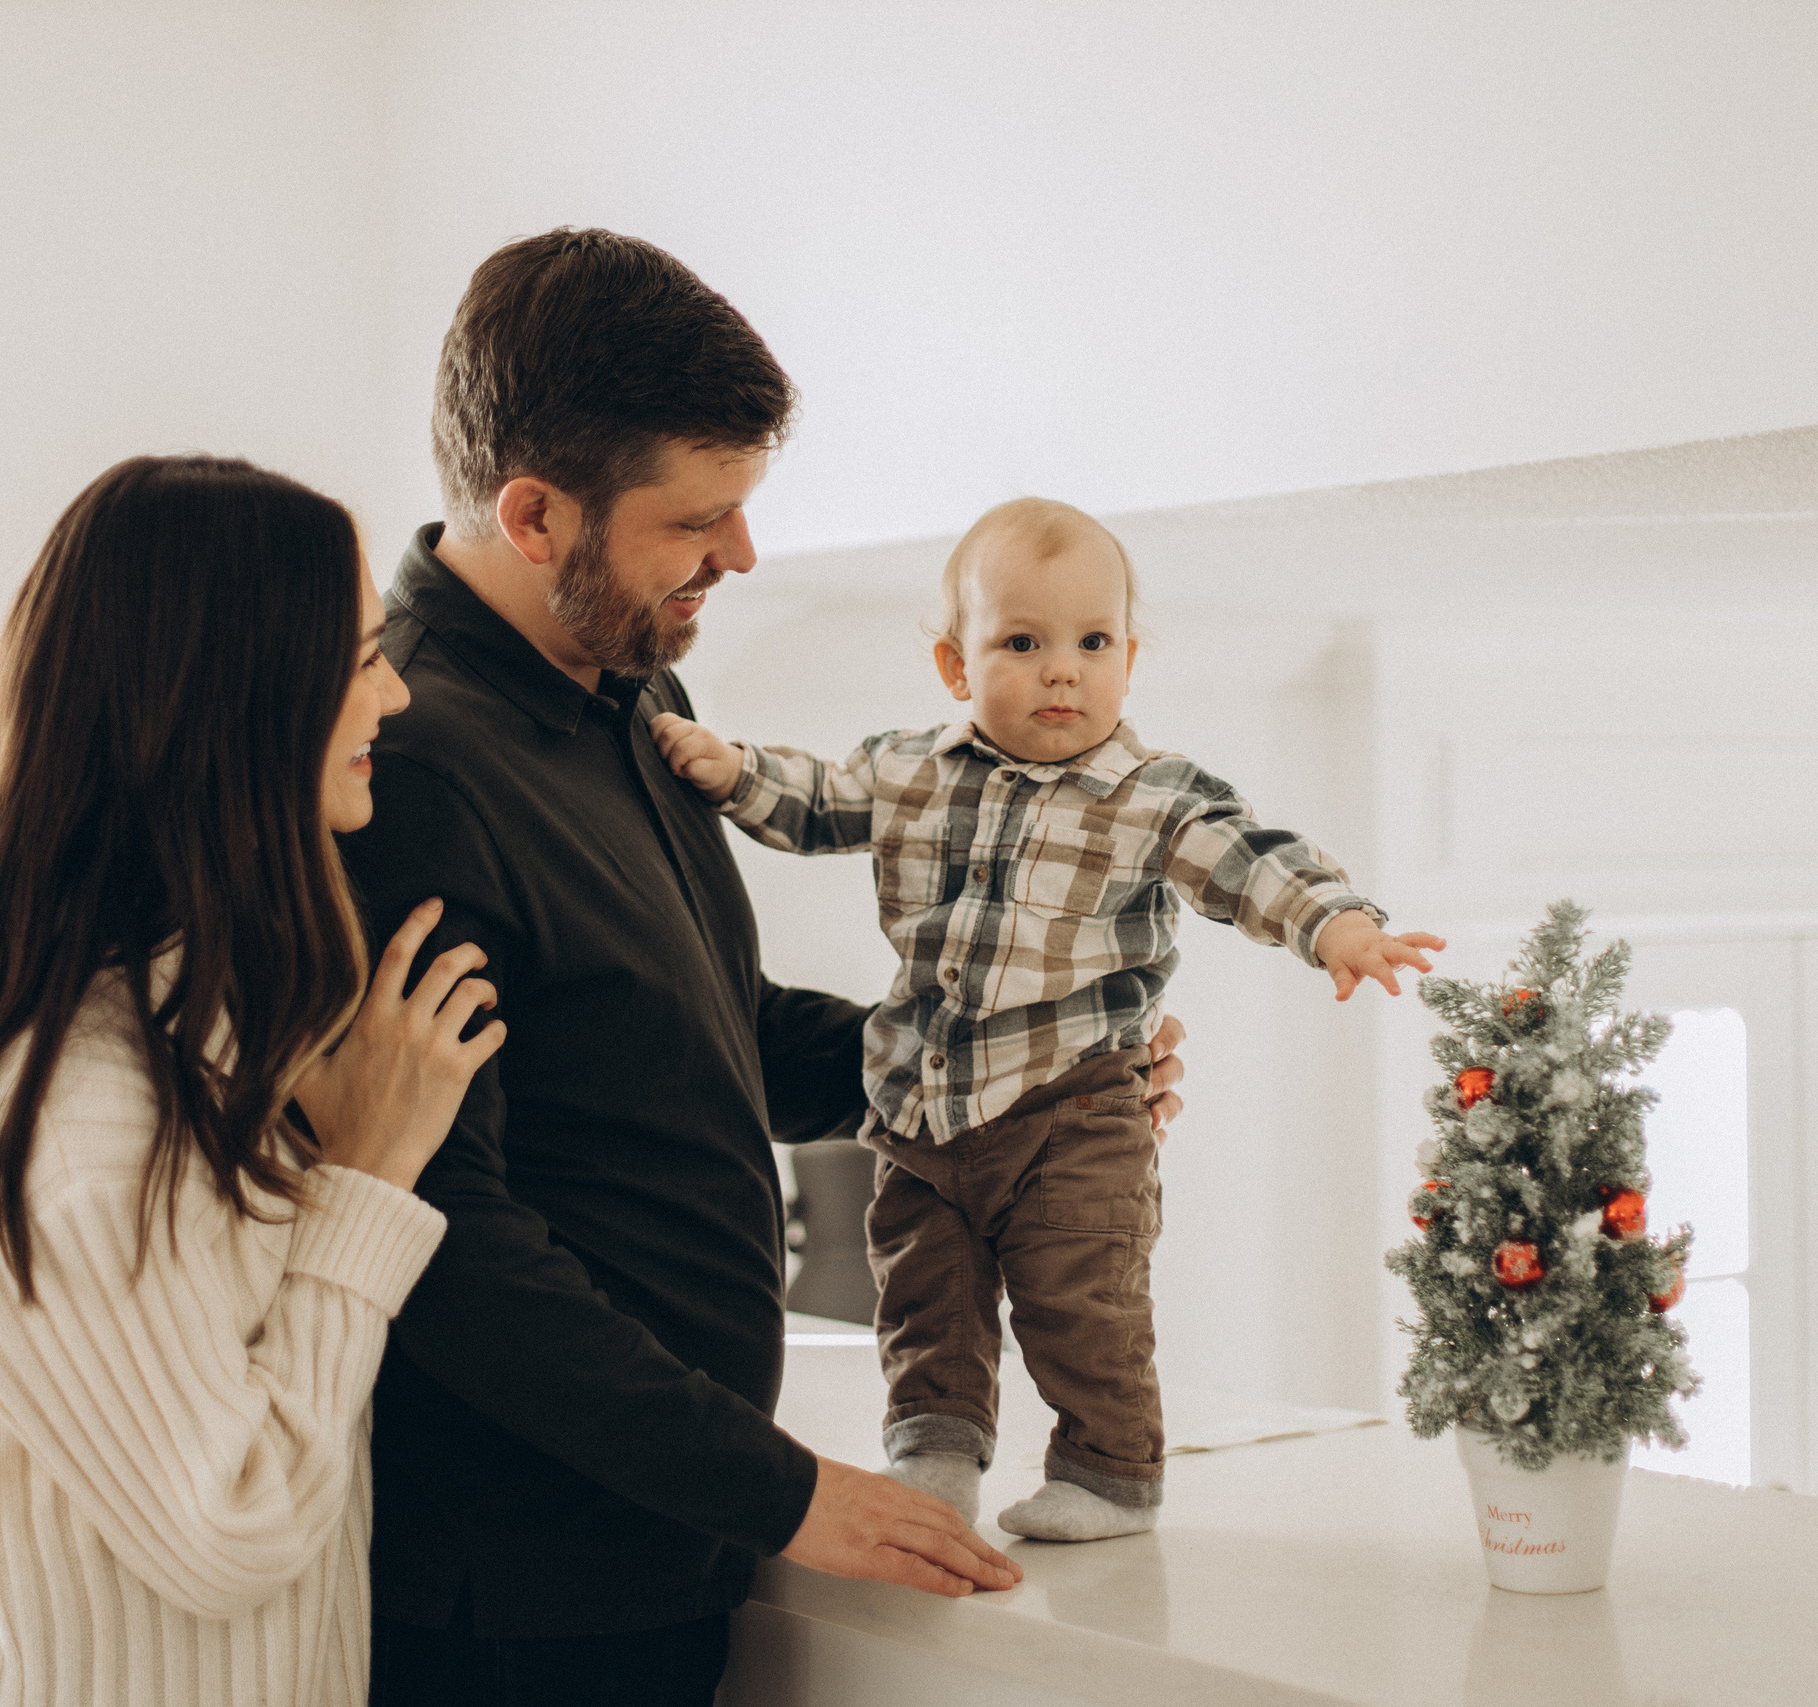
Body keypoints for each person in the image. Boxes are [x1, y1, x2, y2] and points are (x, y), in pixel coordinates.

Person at [336, 229, 1185, 1706]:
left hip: (661, 1553)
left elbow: (706, 1033)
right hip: (517, 1602)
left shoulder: (633, 694)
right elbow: (440, 1235)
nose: (740, 554)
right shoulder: (407, 762)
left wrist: (1009, 1063)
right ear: (534, 514)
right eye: (699, 519)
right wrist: (789, 1489)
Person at [649, 496, 1447, 1541]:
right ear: (955, 667)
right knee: (923, 1297)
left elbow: (1252, 862)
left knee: (1081, 1296)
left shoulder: (1152, 796)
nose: (1061, 669)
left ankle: (1110, 1473)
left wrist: (1337, 925)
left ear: (1128, 658)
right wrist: (733, 769)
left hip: (1074, 1110)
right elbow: (815, 800)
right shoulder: (909, 771)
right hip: (923, 1102)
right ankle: (933, 1455)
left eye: (1092, 641)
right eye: (1021, 643)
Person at [0, 455, 506, 1707]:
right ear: (239, 700)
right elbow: (234, 1529)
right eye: (362, 657)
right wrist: (369, 1179)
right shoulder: (68, 1120)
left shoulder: (182, 1043)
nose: (396, 697)